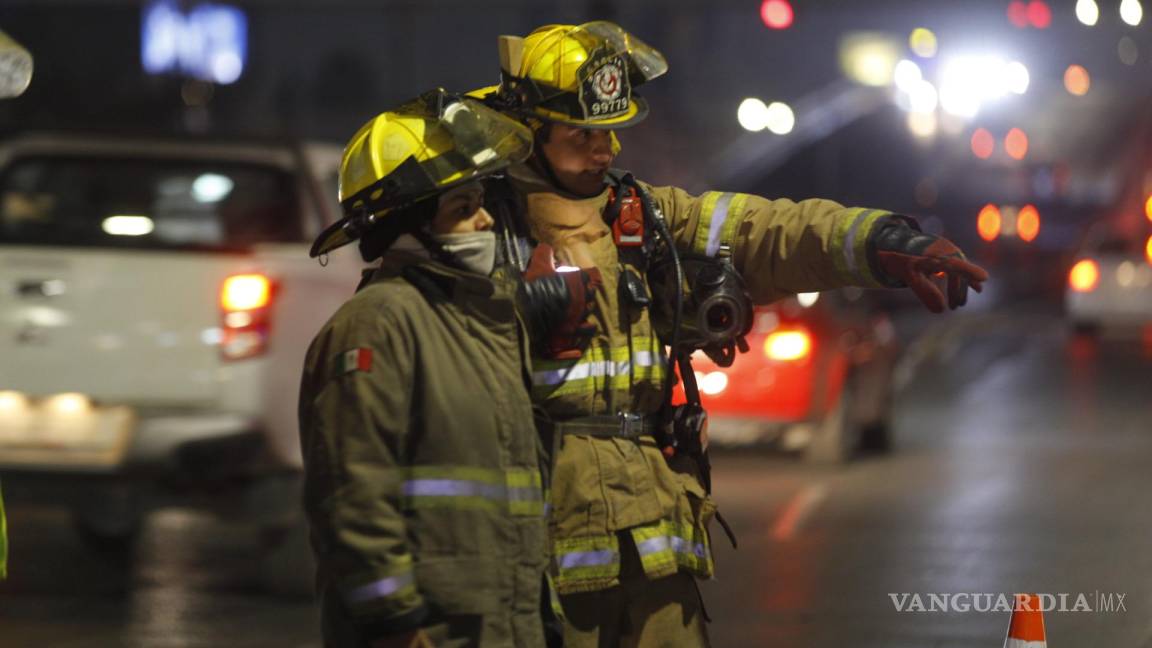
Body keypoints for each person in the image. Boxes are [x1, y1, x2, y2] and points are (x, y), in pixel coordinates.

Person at [472, 22, 990, 647]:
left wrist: (882, 244)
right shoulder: (479, 231)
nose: (604, 150)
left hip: (655, 540)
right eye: (582, 134)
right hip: (543, 555)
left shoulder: (637, 213)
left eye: (609, 130)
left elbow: (764, 230)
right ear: (530, 132)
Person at [298, 89, 551, 648]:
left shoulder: (480, 322)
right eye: (464, 208)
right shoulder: (378, 324)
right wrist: (393, 623)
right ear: (409, 227)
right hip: (428, 634)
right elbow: (351, 494)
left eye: (481, 199)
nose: (486, 218)